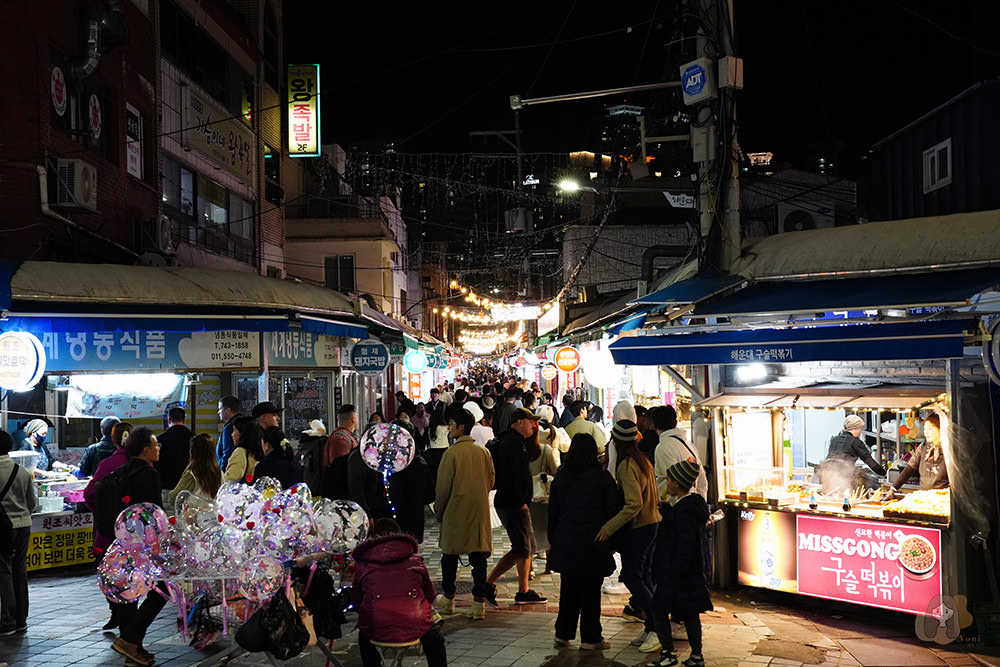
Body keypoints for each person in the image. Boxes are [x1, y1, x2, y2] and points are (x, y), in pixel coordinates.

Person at [548, 433, 621, 651]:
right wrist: (613, 542)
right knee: (590, 592)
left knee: (568, 590)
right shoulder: (603, 478)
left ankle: (563, 633)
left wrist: (554, 540)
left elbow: (553, 513)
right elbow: (613, 512)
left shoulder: (562, 477)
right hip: (594, 542)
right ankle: (591, 638)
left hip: (567, 541)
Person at [598, 420, 661, 652]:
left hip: (640, 527)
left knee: (633, 578)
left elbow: (633, 504)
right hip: (652, 523)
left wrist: (608, 528)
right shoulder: (643, 460)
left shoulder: (626, 466)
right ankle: (652, 627)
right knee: (644, 577)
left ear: (615, 442)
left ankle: (658, 627)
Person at [351, 518, 447, 667]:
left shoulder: (364, 564)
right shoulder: (416, 560)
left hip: (376, 625)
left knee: (364, 638)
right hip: (415, 622)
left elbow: (357, 601)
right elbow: (430, 595)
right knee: (435, 639)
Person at [112, 428, 168, 667]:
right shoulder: (148, 474)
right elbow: (151, 512)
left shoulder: (122, 471)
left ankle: (133, 651)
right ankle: (128, 640)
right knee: (163, 589)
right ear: (146, 450)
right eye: (155, 445)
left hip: (122, 542)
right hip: (144, 544)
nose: (158, 449)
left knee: (130, 595)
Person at [433, 404, 495, 620]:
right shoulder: (483, 452)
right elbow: (491, 480)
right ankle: (479, 604)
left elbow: (443, 488)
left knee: (450, 556)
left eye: (451, 424)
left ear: (461, 427)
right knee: (479, 557)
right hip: (478, 511)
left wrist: (439, 510)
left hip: (455, 511)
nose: (449, 428)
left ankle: (448, 598)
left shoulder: (451, 454)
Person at [649, 460, 712, 667]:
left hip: (675, 573)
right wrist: (668, 510)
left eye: (668, 479)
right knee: (690, 613)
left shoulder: (684, 513)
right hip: (690, 573)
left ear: (676, 483)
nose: (666, 483)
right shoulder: (690, 507)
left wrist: (674, 571)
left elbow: (684, 544)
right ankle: (696, 656)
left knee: (659, 610)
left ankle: (668, 653)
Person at [485, 408, 547, 606]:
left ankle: (523, 590)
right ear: (519, 422)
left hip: (513, 502)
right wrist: (520, 502)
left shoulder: (513, 440)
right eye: (531, 422)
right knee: (521, 548)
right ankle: (488, 584)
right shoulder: (511, 443)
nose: (534, 425)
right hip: (513, 503)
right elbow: (509, 477)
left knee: (525, 547)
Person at [0, 430, 38, 636]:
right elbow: (32, 503)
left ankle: (8, 622)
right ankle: (21, 620)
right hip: (23, 525)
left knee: (4, 572)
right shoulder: (21, 472)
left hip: (2, 527)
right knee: (19, 572)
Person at [820, 415, 886, 494]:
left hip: (828, 476)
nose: (860, 433)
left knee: (831, 496)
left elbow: (830, 458)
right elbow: (870, 461)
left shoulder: (835, 439)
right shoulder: (855, 442)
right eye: (860, 429)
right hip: (844, 478)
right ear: (855, 428)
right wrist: (884, 473)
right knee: (846, 497)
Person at [653, 406, 707, 501]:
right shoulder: (689, 445)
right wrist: (700, 503)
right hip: (692, 504)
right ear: (676, 422)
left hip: (676, 506)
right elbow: (702, 480)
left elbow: (675, 482)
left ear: (654, 425)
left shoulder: (663, 447)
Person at [527, 421, 559, 576]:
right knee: (546, 531)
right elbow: (554, 471)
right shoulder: (546, 450)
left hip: (527, 496)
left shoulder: (521, 450)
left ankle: (529, 569)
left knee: (529, 532)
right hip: (543, 497)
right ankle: (549, 565)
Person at [892, 413, 949, 490]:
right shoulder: (923, 447)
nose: (926, 432)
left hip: (944, 495)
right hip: (925, 494)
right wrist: (894, 487)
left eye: (930, 429)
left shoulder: (949, 449)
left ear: (940, 429)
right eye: (925, 429)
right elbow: (910, 468)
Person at [168, 434, 222, 504]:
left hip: (194, 510)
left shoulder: (192, 474)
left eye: (191, 448)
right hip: (215, 510)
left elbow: (173, 498)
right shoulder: (220, 473)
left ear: (194, 452)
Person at [154, 407, 193, 503]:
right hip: (189, 488)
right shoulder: (194, 439)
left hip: (166, 487)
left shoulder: (160, 439)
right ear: (184, 420)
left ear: (169, 420)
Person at [224, 418, 262, 484]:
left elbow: (231, 480)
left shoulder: (240, 452)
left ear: (242, 433)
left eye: (234, 431)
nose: (232, 434)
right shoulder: (259, 451)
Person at [216, 395, 242, 470]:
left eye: (220, 409)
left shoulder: (230, 428)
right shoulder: (243, 423)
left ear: (228, 410)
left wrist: (223, 471)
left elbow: (228, 452)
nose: (218, 412)